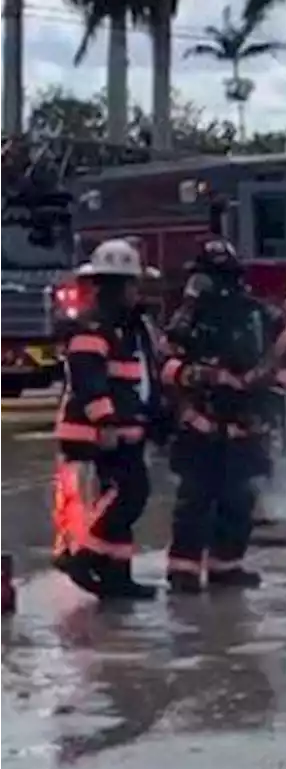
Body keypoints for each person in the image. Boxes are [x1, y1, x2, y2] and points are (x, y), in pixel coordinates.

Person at [159, 238, 286, 594]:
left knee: (239, 501)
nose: (208, 287)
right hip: (200, 425)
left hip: (246, 426)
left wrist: (266, 379)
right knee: (194, 501)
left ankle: (226, 566)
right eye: (205, 279)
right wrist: (203, 376)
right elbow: (164, 364)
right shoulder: (186, 318)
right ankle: (184, 571)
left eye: (214, 278)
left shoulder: (258, 313)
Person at [51, 238, 164, 601]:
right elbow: (89, 381)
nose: (136, 292)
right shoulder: (93, 328)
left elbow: (140, 377)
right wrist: (108, 424)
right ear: (116, 287)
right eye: (131, 284)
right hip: (97, 433)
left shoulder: (128, 328)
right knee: (129, 494)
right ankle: (83, 555)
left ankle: (117, 577)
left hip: (124, 431)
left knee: (126, 498)